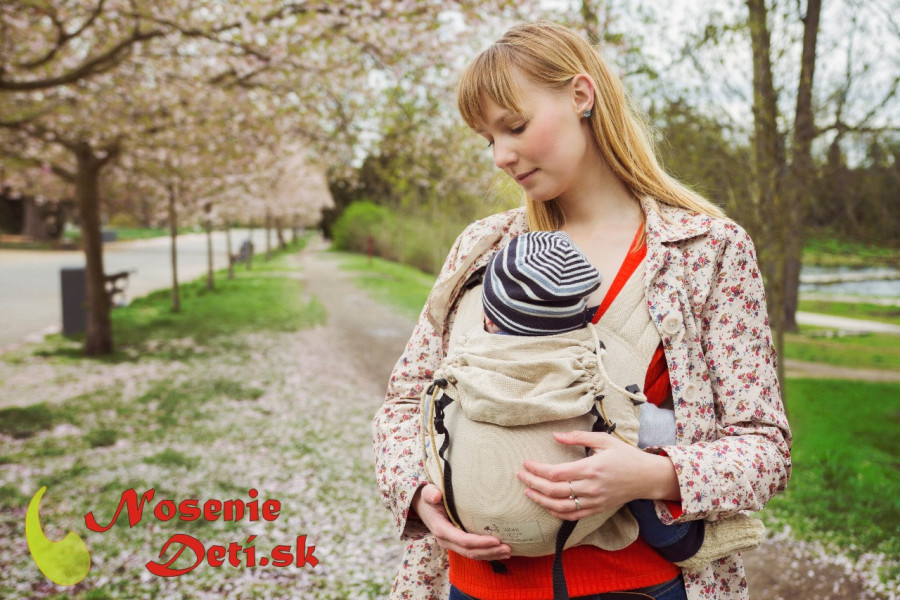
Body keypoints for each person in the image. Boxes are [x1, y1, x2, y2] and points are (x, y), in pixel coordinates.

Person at [373, 20, 792, 600]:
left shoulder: (706, 251)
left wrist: (649, 474)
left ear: (580, 95)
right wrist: (422, 494)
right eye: (488, 139)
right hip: (473, 587)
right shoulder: (480, 249)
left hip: (636, 587)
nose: (501, 155)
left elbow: (765, 447)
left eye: (514, 127)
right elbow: (404, 401)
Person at [479, 229, 706, 566]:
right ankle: (673, 538)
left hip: (485, 529)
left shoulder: (472, 373)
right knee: (629, 439)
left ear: (488, 321)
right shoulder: (596, 384)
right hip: (590, 536)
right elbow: (675, 432)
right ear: (580, 325)